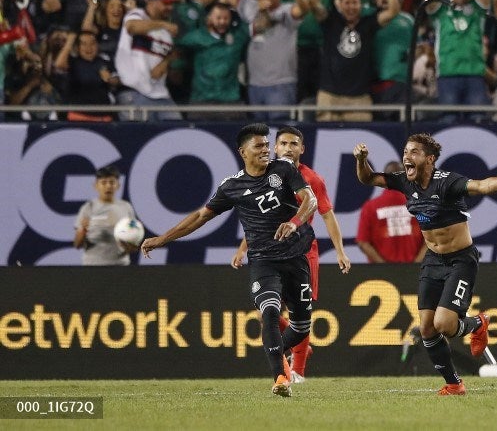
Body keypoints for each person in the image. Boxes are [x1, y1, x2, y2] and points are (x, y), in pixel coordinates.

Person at [141, 123, 318, 398]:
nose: (266, 149)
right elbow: (201, 217)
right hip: (263, 260)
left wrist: (294, 223)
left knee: (301, 327)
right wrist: (163, 239)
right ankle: (280, 377)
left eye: (266, 144)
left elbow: (310, 200)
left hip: (296, 257)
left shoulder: (283, 169)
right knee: (269, 313)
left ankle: (280, 350)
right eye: (258, 146)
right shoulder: (232, 186)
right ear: (242, 152)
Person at [353, 134, 497, 395]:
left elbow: (481, 186)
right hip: (433, 260)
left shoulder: (447, 182)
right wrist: (362, 160)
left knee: (445, 325)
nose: (406, 157)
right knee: (426, 328)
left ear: (430, 159)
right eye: (405, 151)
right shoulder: (404, 181)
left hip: (460, 260)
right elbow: (368, 178)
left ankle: (478, 323)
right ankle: (454, 384)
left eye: (414, 152)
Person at [231, 125, 352, 383]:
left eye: (293, 144)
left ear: (302, 149)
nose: (288, 148)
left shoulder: (313, 179)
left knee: (301, 310)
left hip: (302, 251)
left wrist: (340, 251)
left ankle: (297, 370)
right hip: (270, 252)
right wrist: (244, 248)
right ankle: (299, 346)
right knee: (266, 313)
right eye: (283, 143)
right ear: (275, 147)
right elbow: (259, 220)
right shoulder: (267, 175)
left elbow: (327, 215)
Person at [355, 161, 425, 264]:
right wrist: (416, 265)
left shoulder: (370, 207)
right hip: (415, 273)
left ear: (383, 178)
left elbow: (363, 242)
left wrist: (384, 267)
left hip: (381, 275)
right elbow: (431, 239)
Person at [73, 165, 138, 265]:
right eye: (103, 182)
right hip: (93, 265)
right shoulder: (88, 208)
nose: (108, 186)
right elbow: (77, 244)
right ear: (96, 185)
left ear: (118, 185)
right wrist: (83, 230)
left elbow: (133, 244)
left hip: (120, 265)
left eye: (112, 182)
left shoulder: (126, 207)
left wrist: (129, 243)